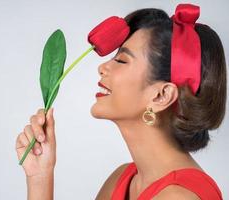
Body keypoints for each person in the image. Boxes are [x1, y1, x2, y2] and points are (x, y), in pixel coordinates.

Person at [15, 4, 226, 200]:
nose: (103, 67)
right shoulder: (122, 179)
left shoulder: (179, 197)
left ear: (161, 96)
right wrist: (40, 177)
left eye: (122, 60)